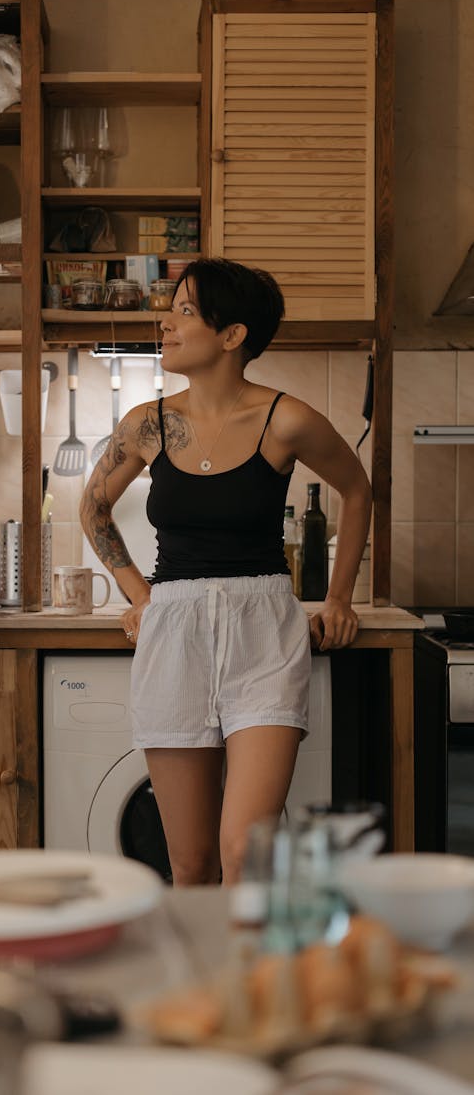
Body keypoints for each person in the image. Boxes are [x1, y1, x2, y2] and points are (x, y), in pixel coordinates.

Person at [80, 257, 372, 886]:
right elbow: (93, 504)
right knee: (189, 863)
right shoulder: (147, 424)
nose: (166, 323)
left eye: (184, 311)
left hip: (263, 630)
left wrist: (339, 597)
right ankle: (204, 983)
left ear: (232, 335)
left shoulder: (285, 419)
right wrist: (140, 594)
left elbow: (357, 488)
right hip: (174, 629)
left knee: (245, 855)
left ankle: (248, 983)